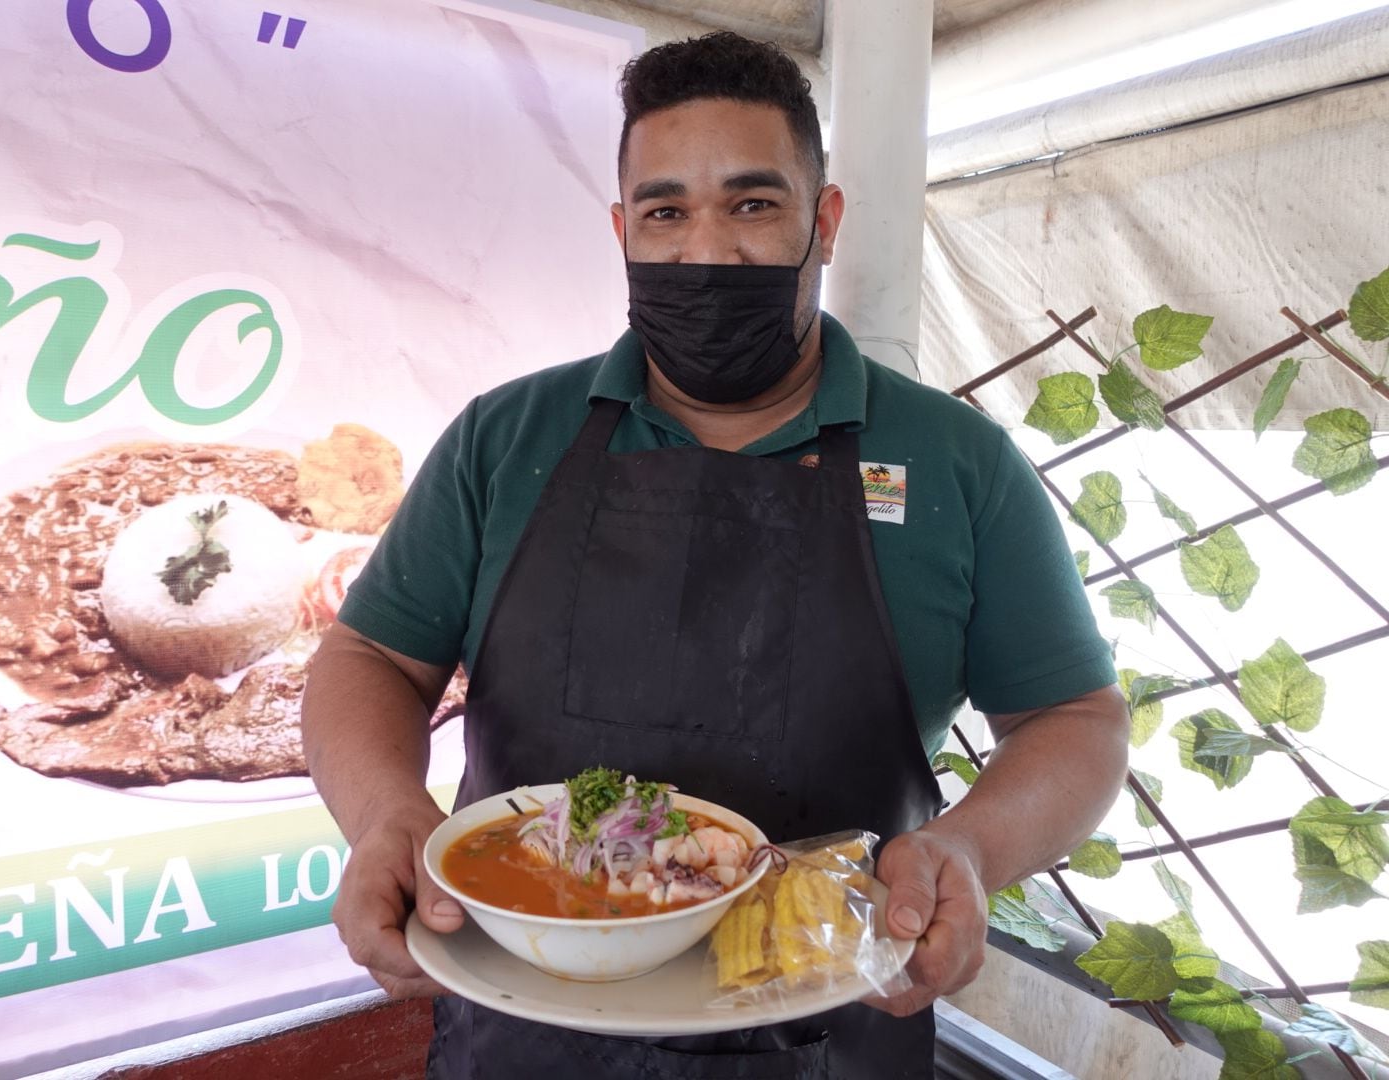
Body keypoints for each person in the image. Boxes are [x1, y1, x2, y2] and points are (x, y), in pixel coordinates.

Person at [302, 29, 1129, 1079]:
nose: (706, 250)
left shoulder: (957, 463)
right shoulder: (504, 439)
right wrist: (388, 817)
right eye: (665, 211)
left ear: (821, 221)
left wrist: (966, 848)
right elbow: (371, 658)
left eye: (752, 204)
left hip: (835, 1012)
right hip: (523, 1016)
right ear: (622, 231)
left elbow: (1075, 720)